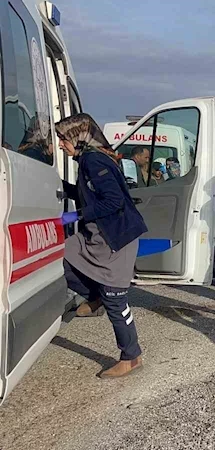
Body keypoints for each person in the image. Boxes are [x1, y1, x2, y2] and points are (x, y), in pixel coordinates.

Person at [56, 113, 148, 378]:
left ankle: (131, 357)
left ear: (78, 137)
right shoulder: (88, 160)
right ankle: (95, 296)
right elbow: (90, 194)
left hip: (115, 237)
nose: (62, 144)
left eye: (64, 139)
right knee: (64, 258)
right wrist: (62, 187)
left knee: (116, 299)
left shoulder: (94, 161)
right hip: (99, 235)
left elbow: (113, 201)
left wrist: (77, 215)